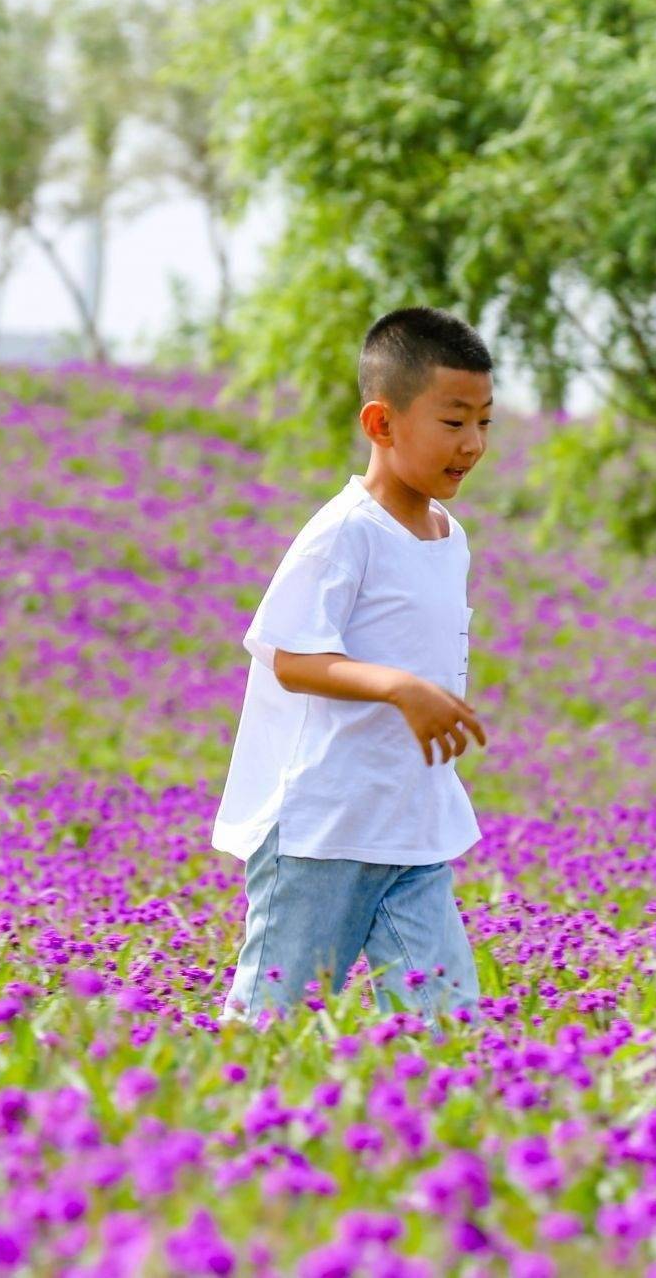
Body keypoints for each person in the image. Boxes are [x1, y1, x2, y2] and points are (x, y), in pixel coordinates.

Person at [212, 306, 493, 1027]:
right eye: (453, 421)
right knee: (273, 1021)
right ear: (382, 424)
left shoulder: (448, 535)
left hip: (410, 825)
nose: (472, 444)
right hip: (323, 832)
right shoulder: (344, 532)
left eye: (484, 422)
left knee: (450, 1027)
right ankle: (220, 1133)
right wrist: (399, 688)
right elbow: (290, 657)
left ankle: (444, 1136)